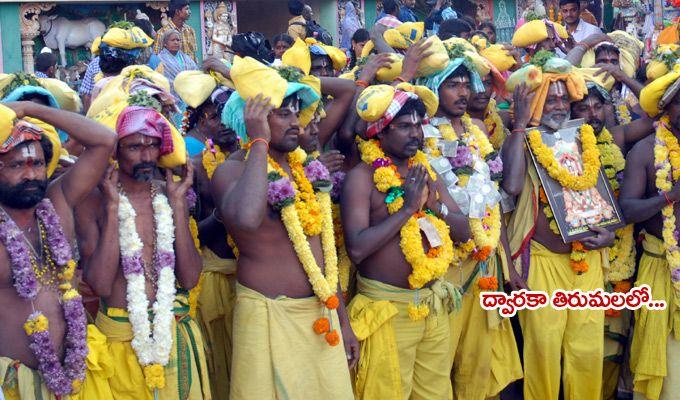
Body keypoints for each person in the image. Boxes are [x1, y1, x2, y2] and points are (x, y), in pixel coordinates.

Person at [212, 56, 356, 400]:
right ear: (254, 118)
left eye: (296, 112)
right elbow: (246, 219)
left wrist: (344, 321)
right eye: (282, 113)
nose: (296, 122)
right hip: (267, 317)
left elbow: (323, 252)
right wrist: (259, 141)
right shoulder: (232, 170)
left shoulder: (308, 170)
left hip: (321, 316)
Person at [342, 79, 471, 398]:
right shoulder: (362, 178)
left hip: (432, 306)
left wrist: (434, 205)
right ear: (380, 132)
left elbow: (464, 231)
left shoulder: (425, 171)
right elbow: (357, 249)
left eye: (418, 125)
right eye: (403, 126)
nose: (415, 133)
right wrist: (407, 209)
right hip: (387, 310)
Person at [77, 103, 210, 399]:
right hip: (121, 342)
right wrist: (113, 209)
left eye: (152, 146)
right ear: (115, 150)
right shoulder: (93, 202)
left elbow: (189, 279)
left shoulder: (168, 196)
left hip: (174, 333)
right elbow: (98, 284)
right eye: (134, 146)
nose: (146, 155)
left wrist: (178, 206)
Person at [503, 59, 616, 400]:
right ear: (535, 103)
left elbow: (599, 196)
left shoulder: (583, 137)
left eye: (562, 100)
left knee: (587, 353)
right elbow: (510, 187)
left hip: (588, 261)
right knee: (543, 352)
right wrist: (521, 125)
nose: (557, 106)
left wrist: (609, 233)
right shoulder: (522, 140)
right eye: (549, 99)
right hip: (543, 262)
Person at [421, 47, 523, 399]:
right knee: (439, 361)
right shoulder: (417, 132)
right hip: (443, 265)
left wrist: (508, 265)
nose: (463, 92)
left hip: (485, 261)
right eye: (452, 84)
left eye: (467, 83)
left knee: (479, 362)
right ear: (433, 87)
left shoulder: (477, 130)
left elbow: (494, 201)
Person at [0, 100, 116, 399]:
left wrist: (27, 108)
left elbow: (104, 140)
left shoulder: (57, 202)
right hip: (16, 385)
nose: (30, 175)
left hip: (78, 375)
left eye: (37, 163)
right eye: (17, 165)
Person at [569, 81, 652, 400]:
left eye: (597, 106)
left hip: (621, 251)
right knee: (584, 341)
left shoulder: (616, 137)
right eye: (583, 107)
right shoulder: (562, 146)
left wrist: (621, 74)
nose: (592, 113)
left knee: (616, 339)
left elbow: (654, 114)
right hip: (584, 252)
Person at [619, 68, 680, 400]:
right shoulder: (645, 151)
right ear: (665, 109)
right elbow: (628, 210)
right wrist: (671, 196)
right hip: (660, 266)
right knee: (667, 374)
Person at [153, 29, 199, 95]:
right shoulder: (160, 59)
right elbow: (159, 80)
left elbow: (195, 73)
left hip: (188, 95)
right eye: (172, 40)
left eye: (178, 40)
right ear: (165, 43)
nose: (176, 42)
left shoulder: (186, 58)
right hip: (169, 96)